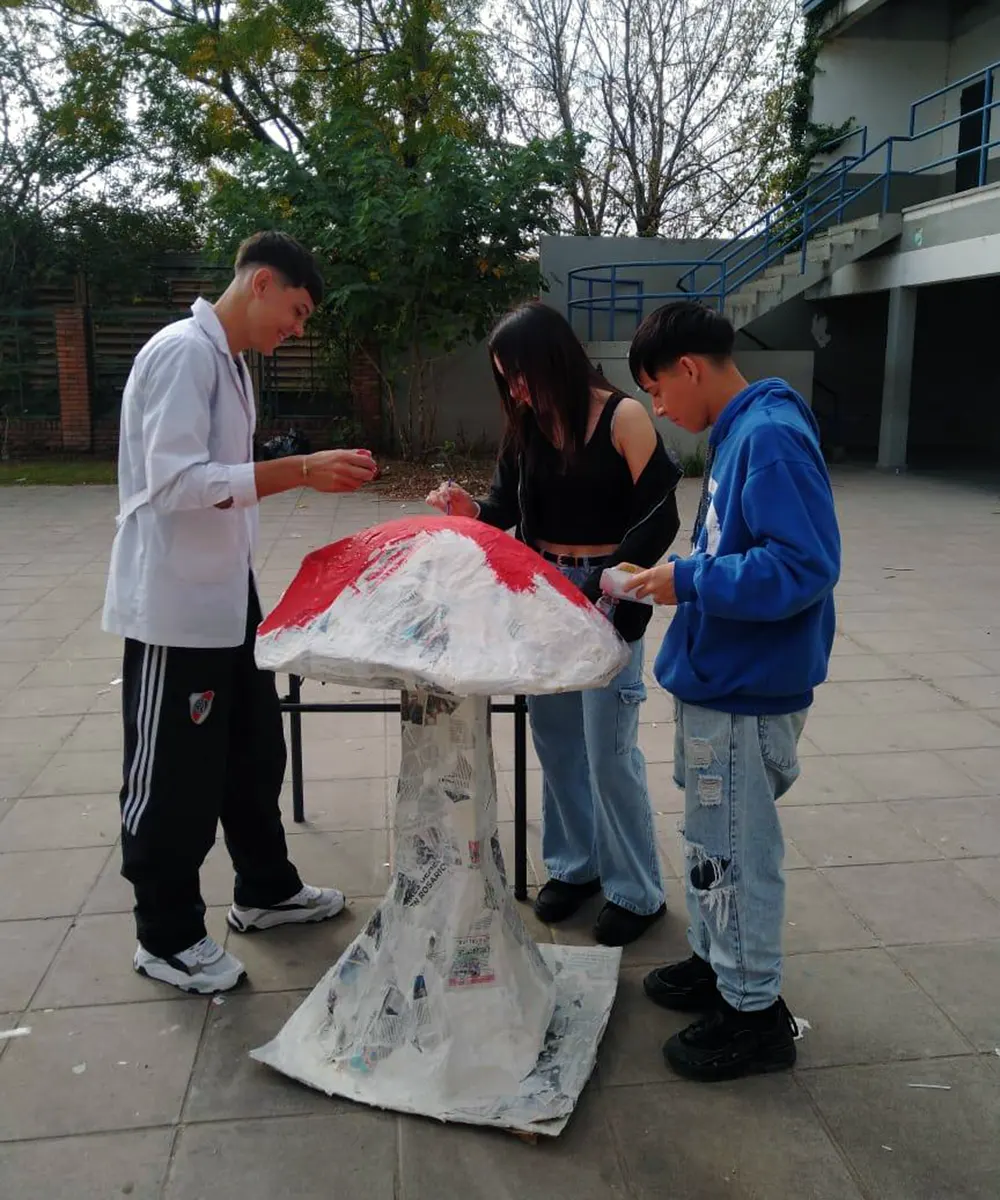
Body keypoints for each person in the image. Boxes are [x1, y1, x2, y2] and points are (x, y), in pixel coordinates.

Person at [102, 231, 379, 995]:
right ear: (259, 284)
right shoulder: (183, 353)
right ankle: (165, 934)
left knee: (254, 750)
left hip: (228, 592)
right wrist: (300, 471)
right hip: (175, 607)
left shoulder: (227, 363)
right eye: (293, 312)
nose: (295, 330)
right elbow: (176, 483)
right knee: (172, 775)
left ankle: (265, 888)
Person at [622, 301, 840, 1081]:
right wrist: (679, 577)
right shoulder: (742, 433)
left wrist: (689, 578)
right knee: (713, 843)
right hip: (719, 677)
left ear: (689, 367)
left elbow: (804, 566)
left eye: (656, 390)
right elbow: (735, 548)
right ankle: (719, 964)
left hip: (749, 691)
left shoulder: (771, 437)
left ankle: (754, 1014)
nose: (658, 408)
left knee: (739, 853)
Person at [426, 302, 682, 946]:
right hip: (542, 593)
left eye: (519, 374)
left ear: (553, 358)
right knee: (557, 739)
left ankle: (636, 888)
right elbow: (504, 508)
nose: (514, 390)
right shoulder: (528, 427)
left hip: (609, 592)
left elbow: (660, 517)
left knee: (609, 747)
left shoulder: (623, 416)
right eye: (503, 380)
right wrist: (468, 510)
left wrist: (614, 588)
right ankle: (575, 866)